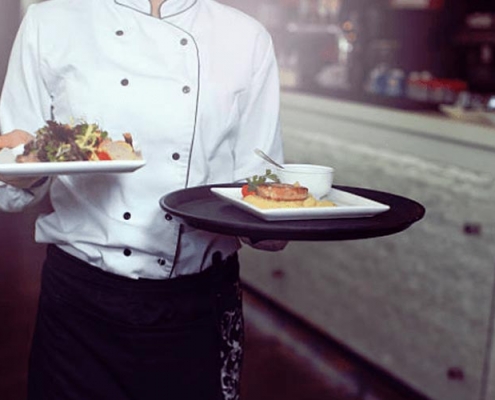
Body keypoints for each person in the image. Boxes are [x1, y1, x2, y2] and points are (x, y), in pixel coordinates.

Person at [0, 0, 285, 399]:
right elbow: (13, 178)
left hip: (199, 305)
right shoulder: (51, 21)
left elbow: (257, 187)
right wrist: (16, 162)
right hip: (80, 305)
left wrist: (278, 221)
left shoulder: (246, 37)